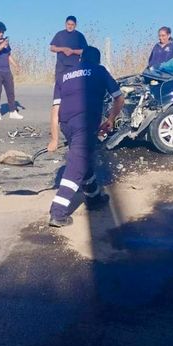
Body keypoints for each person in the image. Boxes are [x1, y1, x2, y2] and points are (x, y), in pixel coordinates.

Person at [46, 45, 125, 228]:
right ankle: (57, 212)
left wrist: (54, 138)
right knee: (76, 166)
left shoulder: (64, 75)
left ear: (81, 59)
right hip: (85, 123)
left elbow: (55, 109)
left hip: (67, 125)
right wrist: (111, 119)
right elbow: (119, 99)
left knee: (83, 157)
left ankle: (94, 197)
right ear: (97, 60)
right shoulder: (100, 70)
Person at [0, 21, 22, 120]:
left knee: (11, 91)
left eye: (2, 32)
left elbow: (8, 55)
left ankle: (12, 111)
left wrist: (16, 65)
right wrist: (1, 46)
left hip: (7, 70)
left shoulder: (6, 42)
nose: (1, 34)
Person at [49, 15, 88, 83]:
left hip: (74, 66)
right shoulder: (59, 34)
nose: (70, 26)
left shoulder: (79, 36)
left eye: (72, 25)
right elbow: (52, 48)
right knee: (59, 87)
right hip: (61, 66)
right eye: (68, 24)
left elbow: (85, 51)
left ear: (75, 25)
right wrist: (63, 49)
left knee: (73, 87)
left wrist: (73, 51)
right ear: (65, 24)